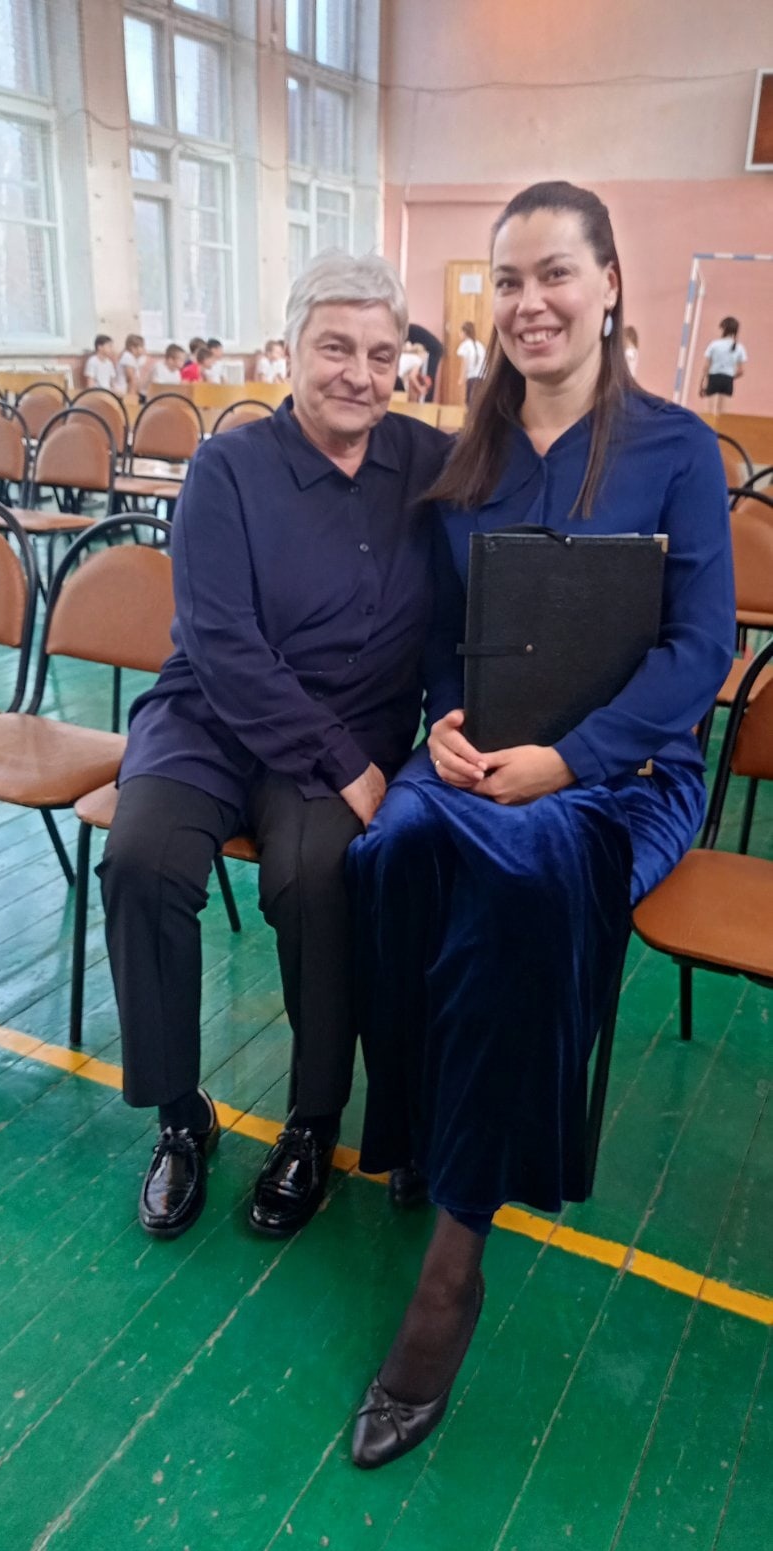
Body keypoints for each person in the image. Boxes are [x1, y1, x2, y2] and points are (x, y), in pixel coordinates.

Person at [347, 180, 735, 1470]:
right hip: (478, 760)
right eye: (507, 280)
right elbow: (446, 639)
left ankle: (454, 1257)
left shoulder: (676, 450)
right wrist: (449, 728)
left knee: (521, 884)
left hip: (621, 776)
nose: (529, 303)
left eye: (554, 273)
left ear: (608, 284)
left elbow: (698, 652)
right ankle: (413, 1122)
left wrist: (568, 759)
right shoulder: (466, 459)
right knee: (390, 850)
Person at [98, 251, 449, 1248]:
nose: (358, 374)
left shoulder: (430, 465)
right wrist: (347, 766)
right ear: (289, 350)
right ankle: (180, 1115)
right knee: (140, 861)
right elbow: (219, 641)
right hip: (211, 716)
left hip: (353, 719)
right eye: (335, 348)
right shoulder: (228, 467)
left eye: (380, 354)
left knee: (313, 877)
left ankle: (312, 1121)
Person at [700, 317, 747, 415]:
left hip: (713, 378)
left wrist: (702, 382)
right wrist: (730, 377)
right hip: (728, 379)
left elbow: (706, 366)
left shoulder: (714, 345)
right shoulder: (739, 347)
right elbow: (741, 371)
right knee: (723, 414)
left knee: (710, 413)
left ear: (723, 329)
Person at [408, 323, 444, 402]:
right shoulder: (412, 329)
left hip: (432, 351)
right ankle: (426, 401)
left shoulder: (408, 330)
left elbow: (408, 347)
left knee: (427, 379)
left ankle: (425, 402)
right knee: (429, 377)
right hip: (435, 349)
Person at [456, 319, 486, 402]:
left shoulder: (465, 345)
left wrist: (462, 377)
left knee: (470, 401)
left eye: (460, 332)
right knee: (477, 401)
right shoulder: (479, 345)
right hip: (481, 377)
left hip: (472, 377)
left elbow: (465, 362)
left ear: (465, 332)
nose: (459, 334)